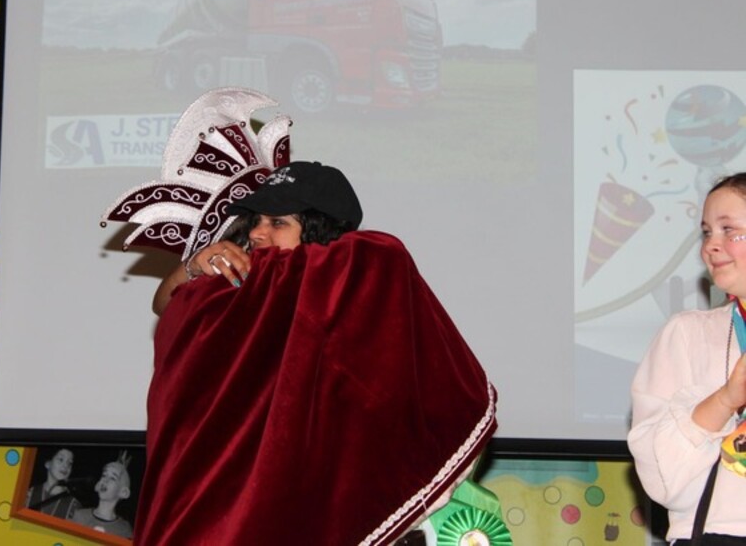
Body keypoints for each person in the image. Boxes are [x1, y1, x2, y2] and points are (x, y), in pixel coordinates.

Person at [133, 160, 497, 545]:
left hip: (330, 502)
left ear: (318, 230)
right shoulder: (247, 290)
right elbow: (168, 306)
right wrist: (192, 268)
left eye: (277, 223)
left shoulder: (356, 289)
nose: (256, 233)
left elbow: (383, 254)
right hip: (244, 500)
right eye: (256, 220)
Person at [629, 173, 746, 545]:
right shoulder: (687, 335)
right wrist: (726, 399)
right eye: (707, 233)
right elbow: (664, 481)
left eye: (729, 230)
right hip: (718, 533)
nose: (711, 246)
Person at [71, 452, 134, 538]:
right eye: (104, 475)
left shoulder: (124, 530)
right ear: (97, 485)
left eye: (113, 478)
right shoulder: (80, 516)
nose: (105, 480)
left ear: (124, 492)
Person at [25, 448, 82, 520]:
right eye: (61, 459)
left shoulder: (73, 505)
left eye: (70, 463)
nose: (66, 466)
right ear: (48, 464)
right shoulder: (28, 494)